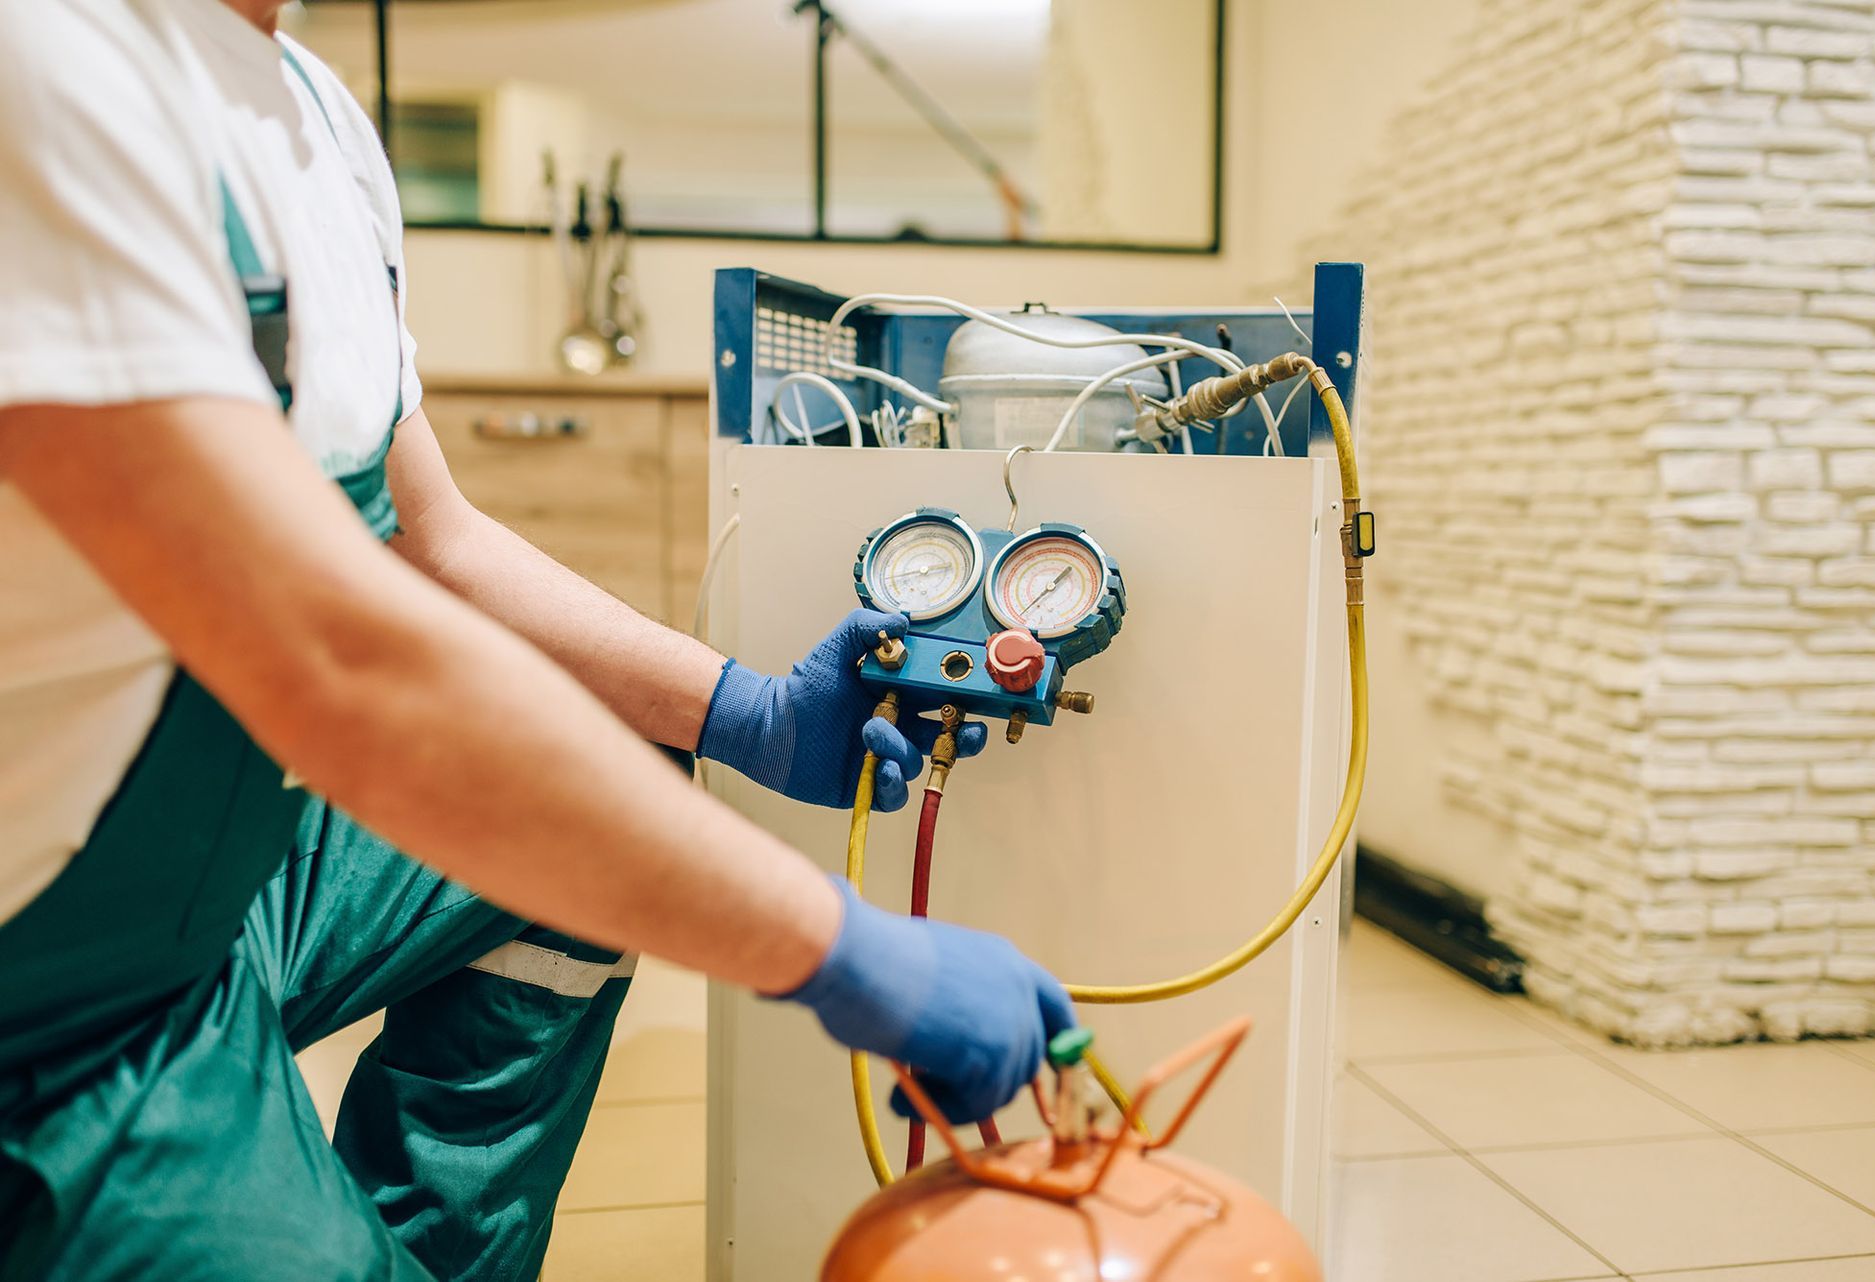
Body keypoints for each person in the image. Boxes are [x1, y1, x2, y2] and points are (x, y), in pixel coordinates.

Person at [0, 2, 1074, 1278]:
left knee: (626, 735)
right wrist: (841, 948)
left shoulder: (318, 119)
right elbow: (340, 666)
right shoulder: (50, 65)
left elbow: (434, 540)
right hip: (53, 1003)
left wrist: (748, 712)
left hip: (227, 877)